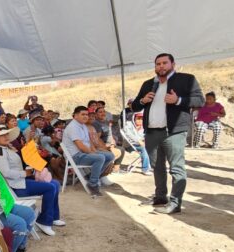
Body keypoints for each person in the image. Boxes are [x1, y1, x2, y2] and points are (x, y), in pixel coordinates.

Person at [131, 53, 205, 213]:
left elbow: (200, 101)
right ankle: (160, 197)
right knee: (157, 167)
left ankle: (175, 202)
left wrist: (178, 100)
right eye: (158, 64)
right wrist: (143, 101)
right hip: (151, 132)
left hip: (174, 132)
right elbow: (135, 106)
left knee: (176, 168)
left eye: (165, 63)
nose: (161, 66)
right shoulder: (148, 84)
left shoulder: (186, 79)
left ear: (173, 64)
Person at [0, 125, 63, 236]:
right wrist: (25, 173)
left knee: (55, 184)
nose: (5, 136)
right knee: (50, 187)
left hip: (21, 182)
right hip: (15, 187)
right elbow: (6, 173)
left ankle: (54, 216)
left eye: (6, 134)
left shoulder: (7, 148)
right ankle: (44, 221)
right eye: (1, 135)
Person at [62, 106, 116, 197]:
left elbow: (89, 142)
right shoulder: (72, 127)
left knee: (110, 156)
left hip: (83, 153)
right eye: (83, 114)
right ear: (75, 116)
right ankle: (93, 184)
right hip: (75, 156)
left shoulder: (83, 126)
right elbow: (81, 146)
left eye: (86, 114)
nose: (86, 116)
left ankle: (91, 176)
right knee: (100, 157)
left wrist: (94, 151)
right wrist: (93, 153)